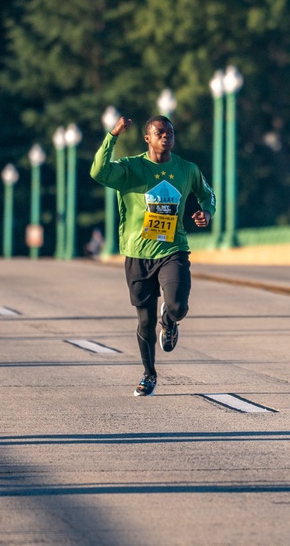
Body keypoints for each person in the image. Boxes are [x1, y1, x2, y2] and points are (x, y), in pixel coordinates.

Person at [90, 114, 216, 396]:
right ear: (147, 138)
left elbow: (208, 195)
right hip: (137, 253)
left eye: (170, 131)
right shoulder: (130, 168)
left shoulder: (187, 169)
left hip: (173, 249)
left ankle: (170, 322)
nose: (166, 135)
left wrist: (206, 212)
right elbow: (98, 172)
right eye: (159, 132)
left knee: (179, 306)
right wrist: (113, 135)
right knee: (145, 323)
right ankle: (149, 374)